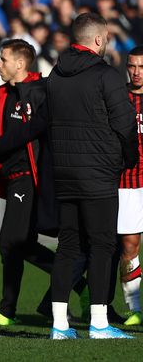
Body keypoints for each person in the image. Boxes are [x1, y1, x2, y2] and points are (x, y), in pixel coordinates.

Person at [0, 39, 77, 327]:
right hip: (13, 179)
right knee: (21, 244)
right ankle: (75, 280)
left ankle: (7, 311)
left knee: (10, 242)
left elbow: (29, 134)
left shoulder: (41, 92)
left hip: (31, 178)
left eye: (3, 59)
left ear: (20, 63)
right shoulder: (3, 93)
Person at [47, 12, 137, 339]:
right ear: (99, 39)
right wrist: (127, 157)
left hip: (65, 173)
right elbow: (125, 124)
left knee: (68, 245)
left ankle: (59, 325)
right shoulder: (106, 75)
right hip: (98, 173)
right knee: (102, 245)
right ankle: (99, 323)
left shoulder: (56, 75)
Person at [115, 45, 143, 326]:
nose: (136, 72)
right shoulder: (118, 98)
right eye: (132, 66)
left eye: (142, 67)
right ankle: (135, 309)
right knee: (130, 247)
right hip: (129, 183)